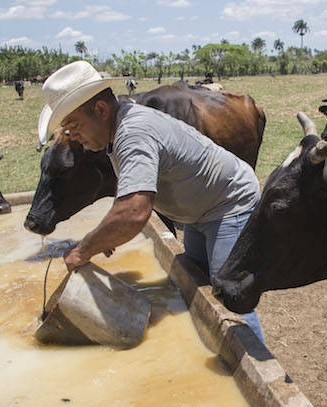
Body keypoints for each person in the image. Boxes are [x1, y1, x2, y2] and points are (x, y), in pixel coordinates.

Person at [38, 61, 265, 343]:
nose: (75, 137)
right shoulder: (117, 128)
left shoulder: (132, 133)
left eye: (74, 126)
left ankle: (258, 362)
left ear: (100, 110)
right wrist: (107, 233)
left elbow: (134, 212)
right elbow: (129, 193)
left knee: (230, 296)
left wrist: (83, 249)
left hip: (230, 202)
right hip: (201, 207)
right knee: (196, 281)